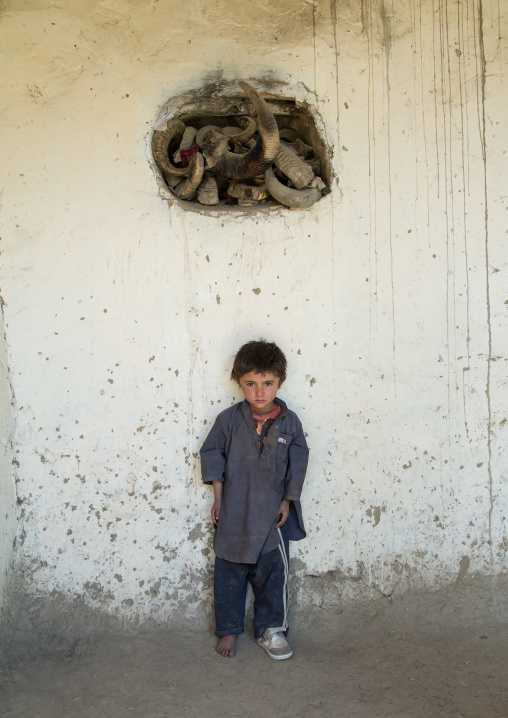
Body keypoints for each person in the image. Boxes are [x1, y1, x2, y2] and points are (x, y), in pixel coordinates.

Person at [200, 339, 309, 660]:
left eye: (267, 383)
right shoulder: (228, 420)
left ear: (280, 382)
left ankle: (272, 630)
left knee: (274, 575)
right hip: (234, 511)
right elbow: (211, 453)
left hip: (272, 515)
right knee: (229, 574)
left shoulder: (290, 423)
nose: (259, 392)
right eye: (250, 384)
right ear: (239, 383)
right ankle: (229, 630)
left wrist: (287, 502)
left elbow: (299, 463)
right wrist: (218, 498)